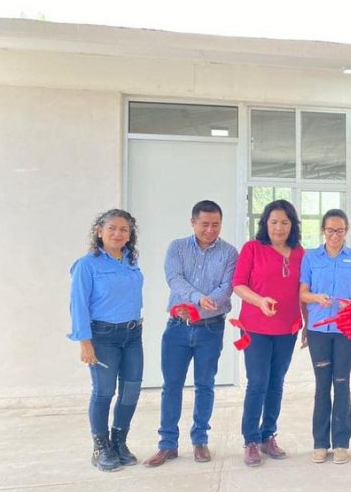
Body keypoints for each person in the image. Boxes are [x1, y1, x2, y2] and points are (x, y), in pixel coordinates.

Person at [142, 200, 238, 467]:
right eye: (204, 224)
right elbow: (174, 279)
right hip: (177, 329)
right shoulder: (177, 247)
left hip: (211, 328)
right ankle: (167, 444)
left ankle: (200, 440)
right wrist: (198, 299)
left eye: (216, 225)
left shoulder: (230, 253)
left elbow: (227, 287)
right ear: (193, 222)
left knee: (205, 384)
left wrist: (204, 304)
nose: (210, 230)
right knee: (171, 386)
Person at [69, 208, 144, 472]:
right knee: (104, 392)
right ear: (99, 231)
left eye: (124, 229)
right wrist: (84, 342)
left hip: (133, 335)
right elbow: (78, 305)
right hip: (103, 338)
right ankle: (100, 447)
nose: (117, 233)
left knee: (131, 390)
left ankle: (119, 442)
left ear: (130, 235)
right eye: (112, 228)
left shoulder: (130, 261)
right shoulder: (87, 265)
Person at [233, 199, 305, 467]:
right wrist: (260, 300)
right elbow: (238, 284)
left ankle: (268, 435)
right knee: (257, 382)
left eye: (285, 222)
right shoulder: (252, 248)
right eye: (274, 222)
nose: (279, 227)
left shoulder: (299, 253)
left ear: (292, 225)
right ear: (265, 223)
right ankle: (251, 440)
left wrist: (307, 325)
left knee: (276, 382)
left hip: (288, 329)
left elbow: (303, 292)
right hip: (256, 328)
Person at [299, 209, 351, 465]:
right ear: (323, 231)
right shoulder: (310, 258)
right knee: (322, 385)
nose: (334, 235)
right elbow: (303, 293)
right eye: (330, 230)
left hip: (346, 329)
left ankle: (341, 443)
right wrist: (317, 298)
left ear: (346, 231)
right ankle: (319, 443)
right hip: (318, 330)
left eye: (339, 230)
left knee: (341, 382)